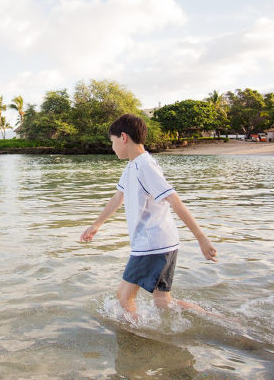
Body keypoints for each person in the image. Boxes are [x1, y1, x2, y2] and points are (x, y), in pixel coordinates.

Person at [80, 114, 217, 317]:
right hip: (163, 243)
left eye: (112, 141)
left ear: (123, 137)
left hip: (152, 244)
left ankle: (133, 336)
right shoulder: (132, 167)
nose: (112, 147)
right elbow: (118, 197)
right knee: (163, 302)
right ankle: (218, 320)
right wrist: (96, 225)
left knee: (124, 298)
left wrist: (201, 238)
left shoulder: (145, 166)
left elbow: (174, 200)